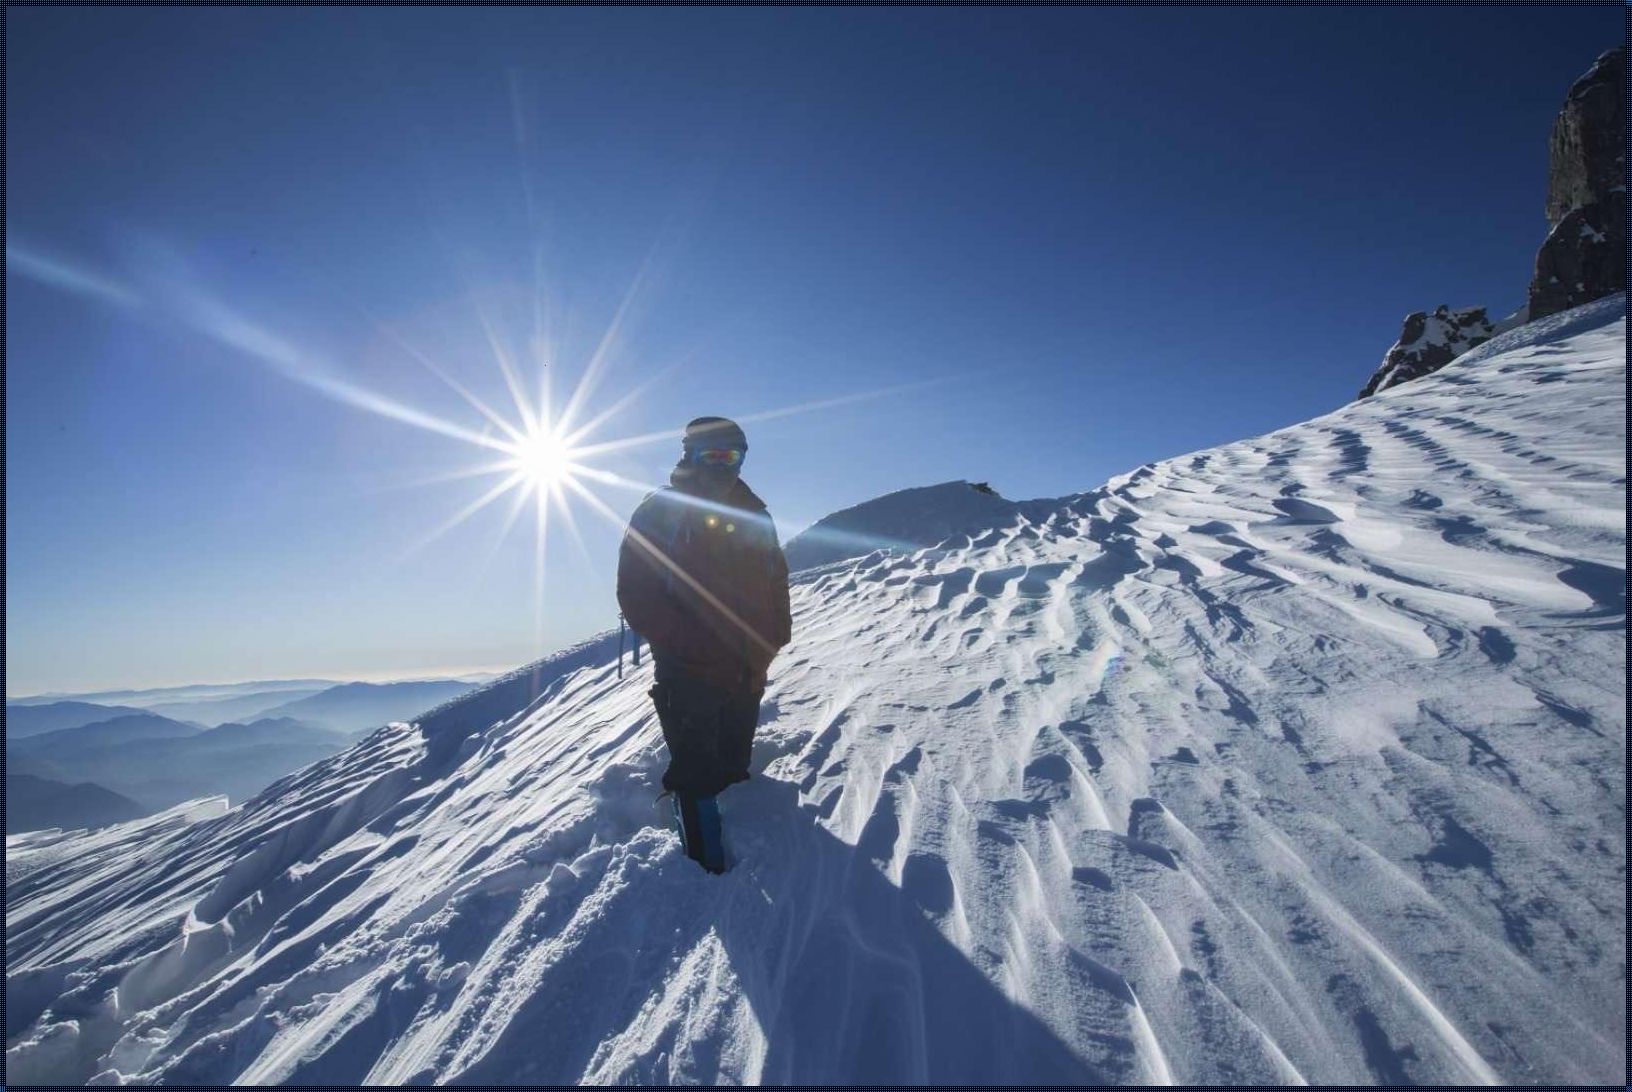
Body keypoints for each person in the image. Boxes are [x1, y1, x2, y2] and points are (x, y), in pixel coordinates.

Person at [616, 416, 792, 872]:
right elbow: (637, 594)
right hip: (688, 668)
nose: (723, 466)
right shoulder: (660, 511)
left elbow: (776, 577)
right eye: (711, 456)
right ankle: (701, 870)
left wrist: (776, 634)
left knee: (734, 761)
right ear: (689, 456)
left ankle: (737, 830)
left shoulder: (756, 513)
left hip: (748, 662)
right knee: (695, 770)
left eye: (732, 456)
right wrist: (688, 645)